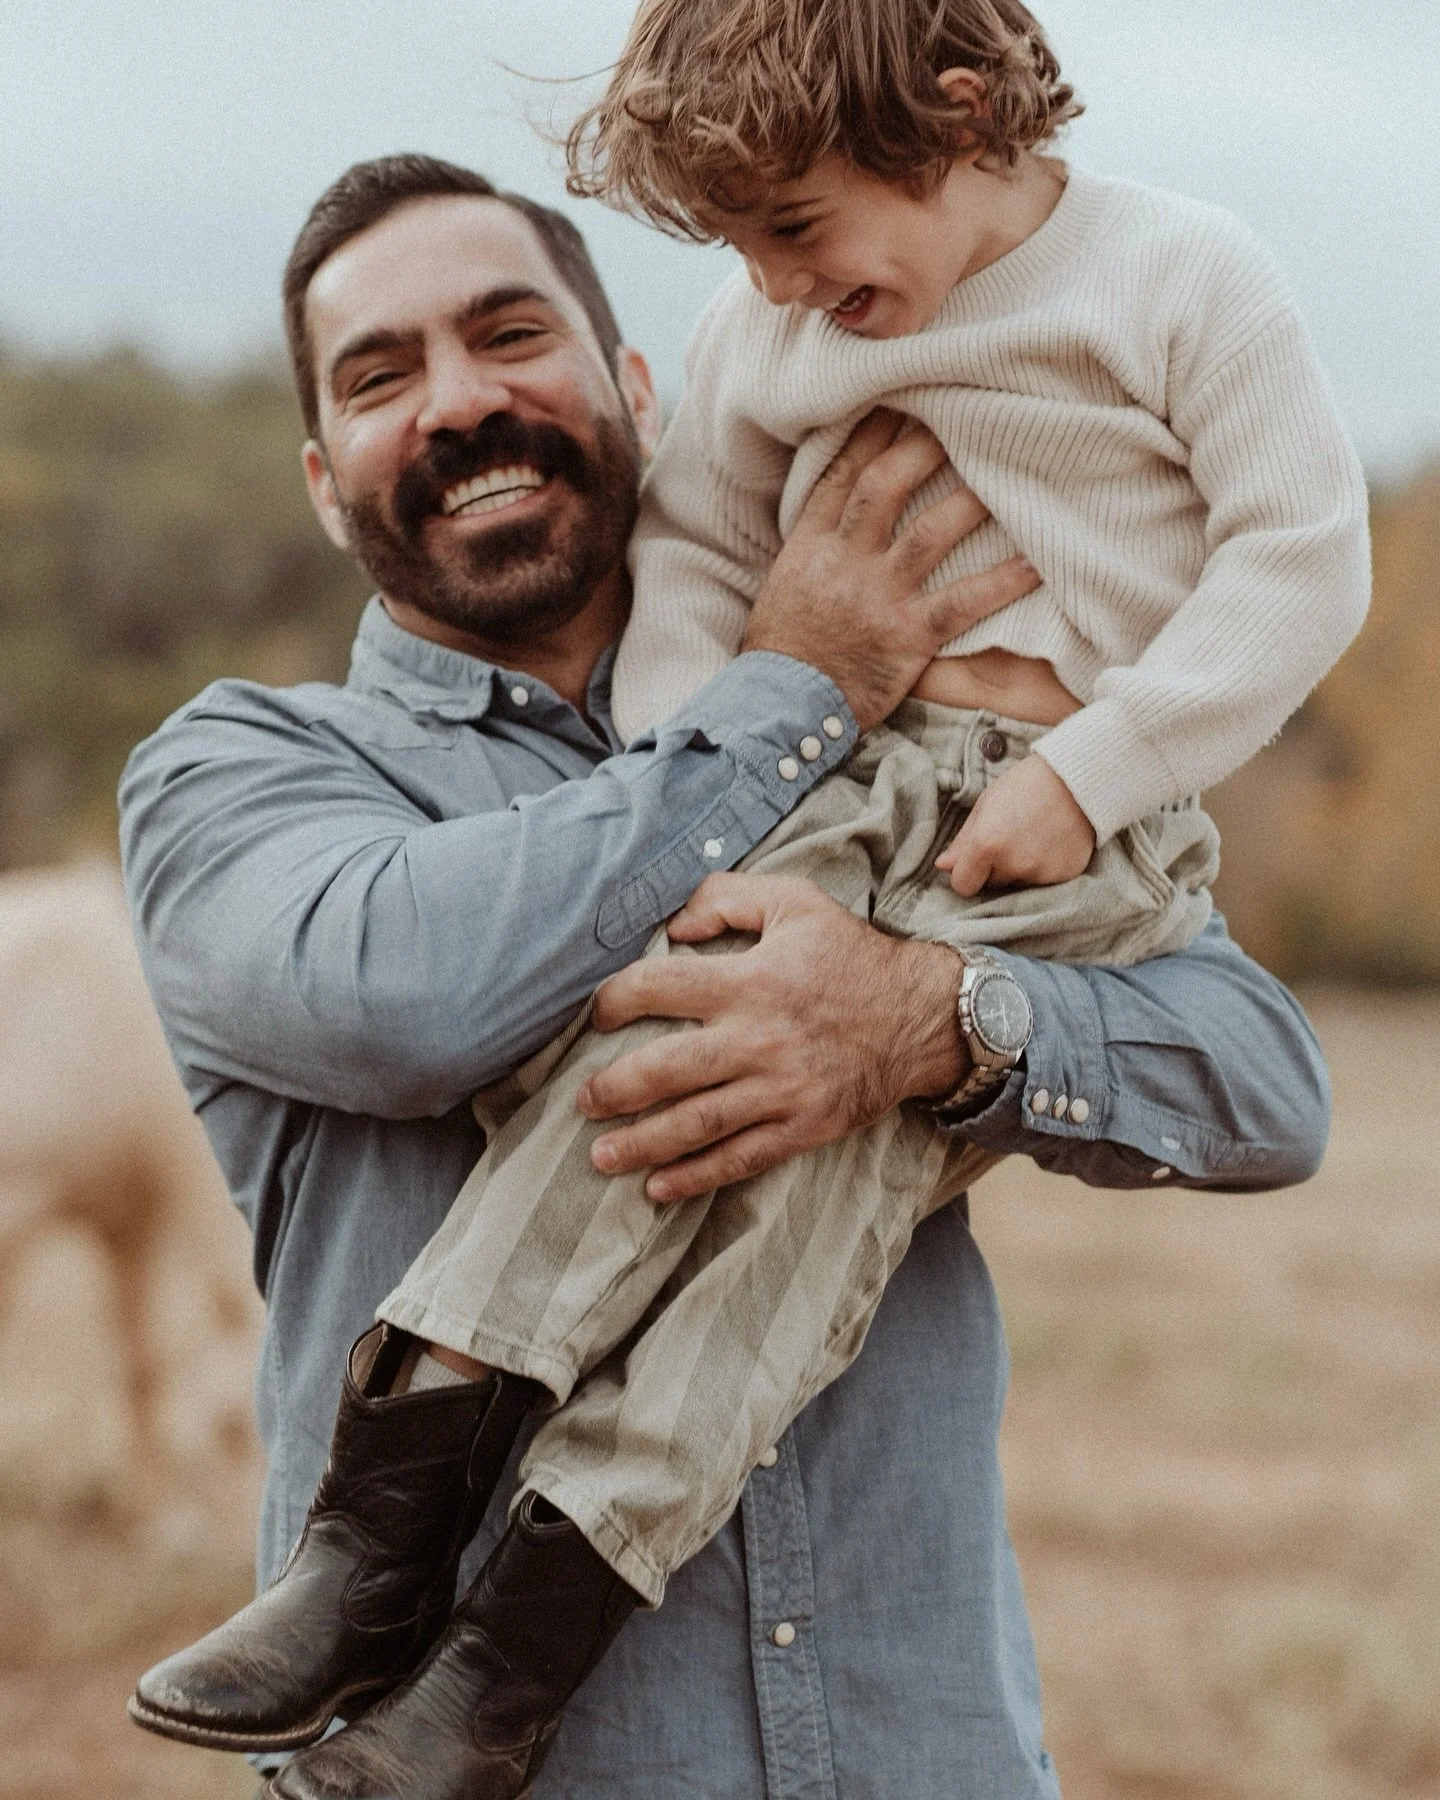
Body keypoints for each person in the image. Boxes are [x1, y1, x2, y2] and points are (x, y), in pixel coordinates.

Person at [122, 153, 1334, 1800]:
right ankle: (375, 1576)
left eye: (509, 335)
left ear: (640, 388)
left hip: (923, 1750)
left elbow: (1266, 1081)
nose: (461, 402)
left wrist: (933, 1022)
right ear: (327, 480)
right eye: (384, 376)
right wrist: (792, 689)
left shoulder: (911, 768)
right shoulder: (244, 771)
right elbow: (402, 998)